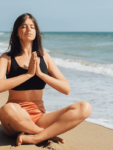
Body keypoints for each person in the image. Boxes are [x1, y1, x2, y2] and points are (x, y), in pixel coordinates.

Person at [0, 13, 92, 146]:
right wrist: (28, 75)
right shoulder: (6, 58)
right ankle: (44, 133)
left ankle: (35, 137)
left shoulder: (45, 57)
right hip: (15, 119)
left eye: (32, 27)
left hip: (40, 117)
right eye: (24, 26)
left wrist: (41, 74)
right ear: (16, 33)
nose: (28, 29)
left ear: (36, 32)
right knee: (7, 109)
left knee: (85, 107)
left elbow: (66, 89)